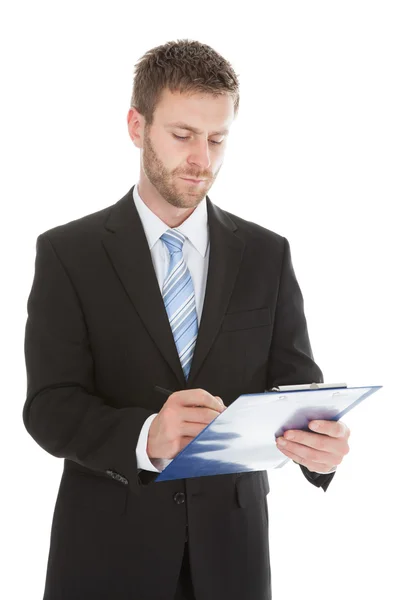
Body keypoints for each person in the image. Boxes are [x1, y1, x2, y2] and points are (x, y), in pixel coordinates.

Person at [23, 39, 351, 600]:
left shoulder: (267, 254)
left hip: (233, 558)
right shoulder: (67, 253)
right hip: (104, 555)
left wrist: (320, 444)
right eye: (182, 135)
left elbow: (295, 386)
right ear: (136, 125)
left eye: (217, 138)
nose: (202, 158)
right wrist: (148, 434)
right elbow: (50, 406)